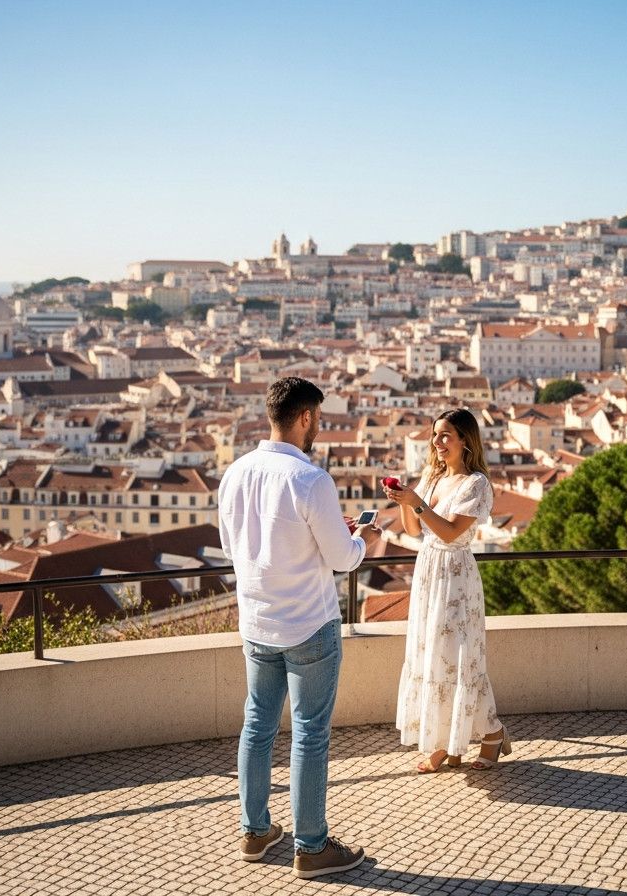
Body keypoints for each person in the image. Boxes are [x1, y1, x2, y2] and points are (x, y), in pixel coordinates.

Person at [219, 376, 369, 879]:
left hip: (257, 622)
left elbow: (231, 545)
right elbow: (343, 560)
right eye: (318, 420)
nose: (318, 429)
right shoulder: (311, 481)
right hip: (308, 625)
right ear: (305, 418)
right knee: (309, 734)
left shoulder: (234, 473)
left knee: (257, 725)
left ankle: (255, 832)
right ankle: (311, 846)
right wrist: (360, 537)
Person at [383, 407, 511, 773]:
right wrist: (406, 501)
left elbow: (452, 532)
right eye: (435, 435)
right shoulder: (432, 477)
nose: (437, 442)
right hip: (429, 570)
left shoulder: (476, 484)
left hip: (455, 575)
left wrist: (417, 503)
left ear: (465, 441)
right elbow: (412, 529)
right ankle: (447, 743)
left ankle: (491, 734)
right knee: (432, 655)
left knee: (459, 657)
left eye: (445, 436)